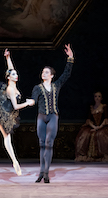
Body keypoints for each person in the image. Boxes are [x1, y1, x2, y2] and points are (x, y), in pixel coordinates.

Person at [30, 44, 74, 183]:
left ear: (52, 75)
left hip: (53, 117)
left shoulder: (57, 85)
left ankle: (47, 173)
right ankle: (41, 172)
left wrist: (70, 58)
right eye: (43, 72)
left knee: (49, 143)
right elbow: (33, 100)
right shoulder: (37, 88)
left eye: (46, 72)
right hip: (41, 118)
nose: (44, 73)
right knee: (42, 144)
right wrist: (27, 102)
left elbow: (67, 74)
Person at [75, 91, 108, 162]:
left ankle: (102, 154)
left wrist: (99, 127)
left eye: (99, 96)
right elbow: (89, 119)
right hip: (93, 126)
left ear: (101, 98)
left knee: (101, 135)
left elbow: (106, 118)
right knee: (85, 134)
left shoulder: (104, 106)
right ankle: (86, 154)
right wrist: (94, 127)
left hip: (102, 126)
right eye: (96, 96)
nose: (97, 98)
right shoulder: (91, 107)